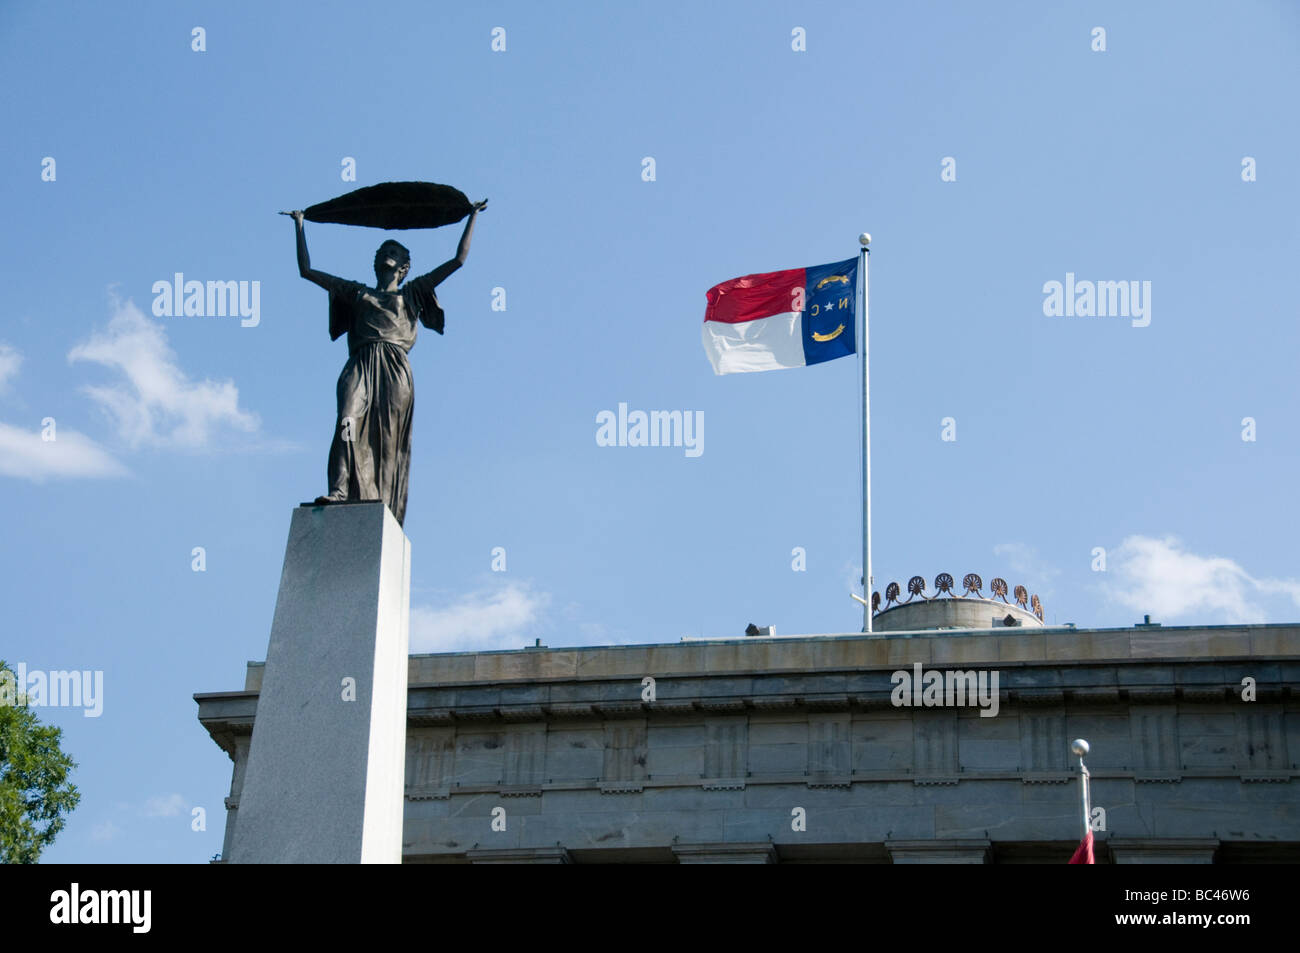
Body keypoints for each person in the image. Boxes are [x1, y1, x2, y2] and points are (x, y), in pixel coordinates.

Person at [288, 200, 487, 526]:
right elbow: (307, 271)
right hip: (362, 363)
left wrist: (472, 217)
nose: (384, 251)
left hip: (394, 368)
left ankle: (382, 505)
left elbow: (458, 261)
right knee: (346, 420)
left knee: (387, 441)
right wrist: (300, 224)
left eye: (392, 249)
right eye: (382, 249)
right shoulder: (357, 294)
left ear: (404, 266)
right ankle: (339, 490)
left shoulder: (412, 293)